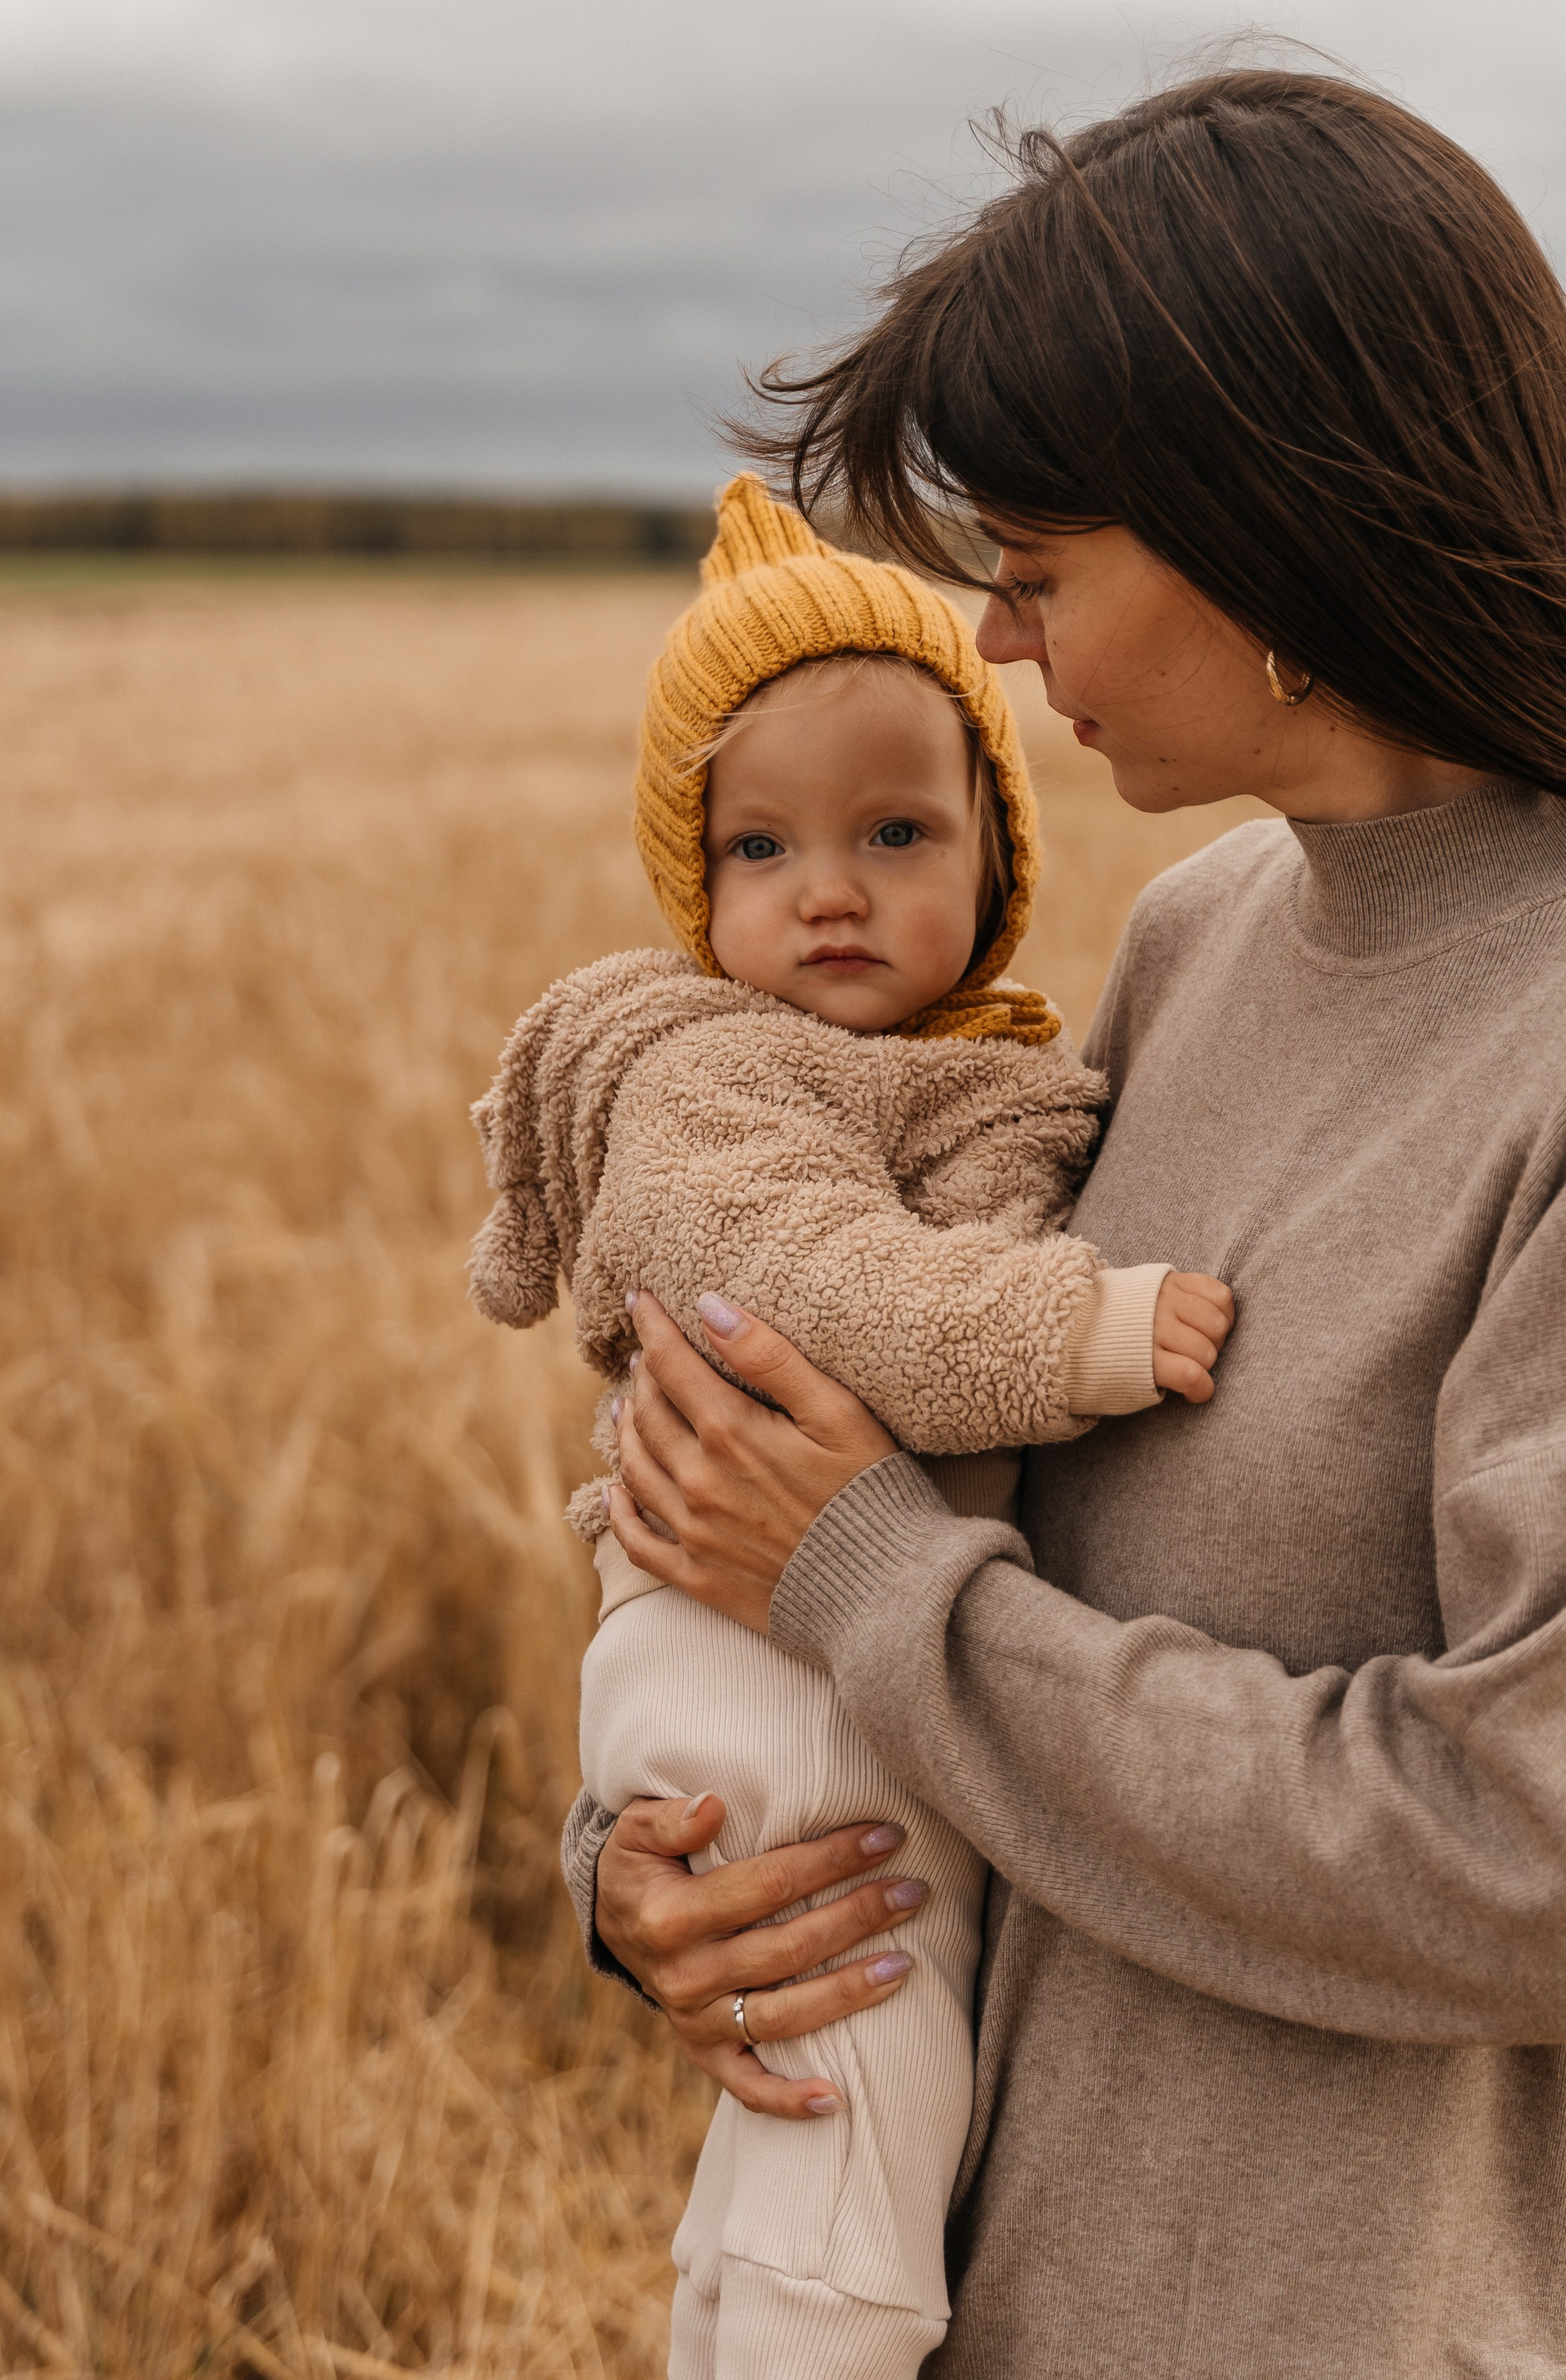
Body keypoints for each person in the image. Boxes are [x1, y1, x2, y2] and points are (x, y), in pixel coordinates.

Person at [564, 69, 1566, 2377]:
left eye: (1041, 568)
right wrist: (660, 1876)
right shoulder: (1197, 937)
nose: (994, 643)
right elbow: (963, 1532)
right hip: (967, 2292)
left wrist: (868, 1579)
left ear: (1268, 539)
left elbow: (1532, 1866)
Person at [470, 472, 1232, 2377]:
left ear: (995, 851)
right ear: (691, 878)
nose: (827, 892)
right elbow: (834, 1297)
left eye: (894, 831)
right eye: (761, 851)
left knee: (778, 2148)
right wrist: (1095, 1326)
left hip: (815, 1646)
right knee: (860, 2092)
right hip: (774, 1659)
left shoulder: (981, 1068)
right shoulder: (716, 1080)